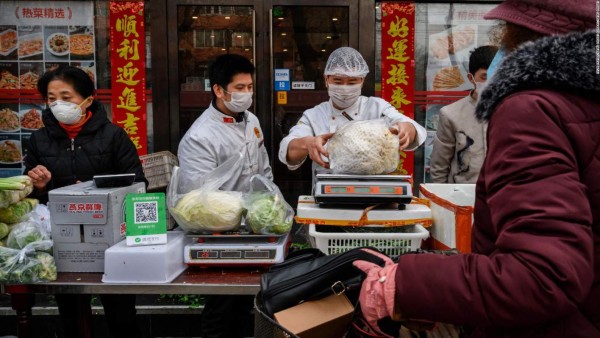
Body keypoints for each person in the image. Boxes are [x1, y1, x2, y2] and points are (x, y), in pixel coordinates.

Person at [353, 0, 599, 337]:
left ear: (521, 36)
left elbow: (544, 276)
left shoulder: (532, 107)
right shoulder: (583, 100)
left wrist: (405, 281)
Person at [24, 66, 147, 337]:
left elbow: (138, 186)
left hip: (111, 240)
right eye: (51, 98)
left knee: (122, 316)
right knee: (71, 316)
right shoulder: (38, 139)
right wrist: (39, 186)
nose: (58, 104)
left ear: (88, 100)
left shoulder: (113, 136)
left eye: (66, 97)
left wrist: (100, 193)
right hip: (63, 241)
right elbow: (29, 196)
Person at [177, 53, 272, 338]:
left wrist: (269, 204)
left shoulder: (251, 120)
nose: (247, 94)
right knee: (221, 305)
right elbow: (199, 200)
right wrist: (243, 211)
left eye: (250, 87)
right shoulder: (200, 136)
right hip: (220, 233)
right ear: (218, 90)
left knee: (246, 302)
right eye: (239, 88)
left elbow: (263, 167)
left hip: (252, 230)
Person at [279, 47, 426, 175]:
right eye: (337, 81)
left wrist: (408, 128)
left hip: (374, 192)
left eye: (352, 82)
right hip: (328, 194)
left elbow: (406, 125)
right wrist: (308, 143)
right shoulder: (314, 115)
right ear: (326, 79)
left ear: (362, 81)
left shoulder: (377, 107)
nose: (344, 88)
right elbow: (289, 150)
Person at [429, 45, 498, 183]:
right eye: (484, 77)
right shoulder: (451, 114)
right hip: (462, 196)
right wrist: (441, 200)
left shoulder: (515, 111)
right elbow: (439, 167)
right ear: (471, 78)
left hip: (503, 197)